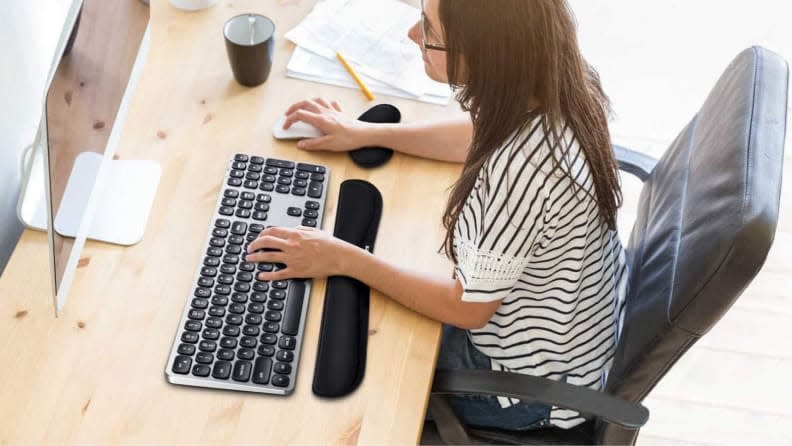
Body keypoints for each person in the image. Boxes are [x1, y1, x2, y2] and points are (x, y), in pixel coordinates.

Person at [247, 0, 627, 431]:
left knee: (324, 378)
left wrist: (342, 257)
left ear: (484, 54)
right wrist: (368, 133)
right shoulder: (553, 78)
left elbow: (467, 309)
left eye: (429, 32)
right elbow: (480, 133)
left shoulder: (523, 169)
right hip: (564, 324)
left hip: (523, 385)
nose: (413, 35)